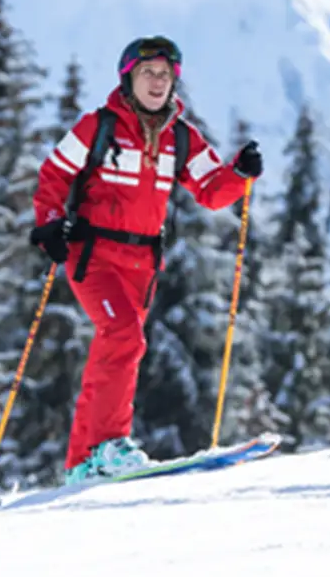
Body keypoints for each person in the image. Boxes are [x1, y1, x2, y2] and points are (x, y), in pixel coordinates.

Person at [30, 36, 262, 481]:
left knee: (117, 348)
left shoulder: (180, 136)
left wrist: (239, 173)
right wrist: (49, 224)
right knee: (123, 336)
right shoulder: (98, 126)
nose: (157, 82)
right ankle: (111, 444)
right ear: (128, 78)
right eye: (147, 73)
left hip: (142, 263)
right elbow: (55, 173)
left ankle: (83, 462)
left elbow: (211, 190)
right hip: (93, 255)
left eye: (164, 75)